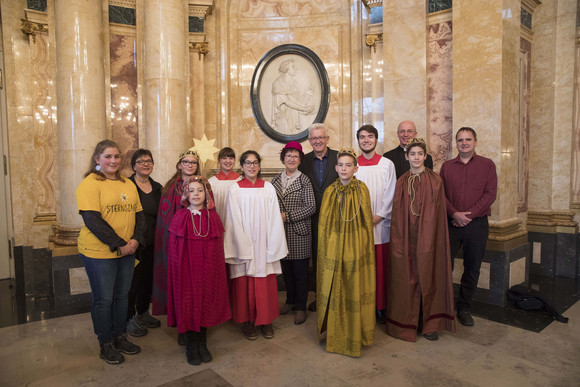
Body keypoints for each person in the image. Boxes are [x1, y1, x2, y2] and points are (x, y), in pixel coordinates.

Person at [75, 139, 145, 365]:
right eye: (108, 156)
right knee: (104, 299)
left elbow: (139, 215)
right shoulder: (90, 183)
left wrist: (135, 240)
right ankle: (105, 342)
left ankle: (119, 335)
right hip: (99, 252)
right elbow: (92, 220)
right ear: (97, 159)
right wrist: (119, 243)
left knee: (122, 296)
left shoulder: (128, 184)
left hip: (127, 250)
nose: (113, 160)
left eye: (116, 156)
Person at [386, 138, 455, 342]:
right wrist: (400, 243)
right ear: (406, 157)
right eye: (412, 154)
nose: (416, 157)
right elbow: (397, 218)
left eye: (420, 154)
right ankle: (408, 322)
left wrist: (430, 239)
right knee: (408, 277)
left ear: (425, 156)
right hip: (407, 239)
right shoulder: (401, 182)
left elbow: (439, 214)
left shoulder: (436, 181)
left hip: (430, 240)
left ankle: (429, 323)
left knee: (429, 275)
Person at [317, 148, 375, 357]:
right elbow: (324, 225)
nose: (344, 168)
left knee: (353, 286)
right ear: (335, 167)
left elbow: (367, 223)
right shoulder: (330, 191)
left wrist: (362, 247)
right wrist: (328, 248)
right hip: (334, 246)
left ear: (356, 168)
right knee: (335, 287)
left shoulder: (362, 190)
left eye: (348, 165)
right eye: (340, 164)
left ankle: (356, 332)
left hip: (355, 246)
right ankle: (334, 334)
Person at [224, 150, 288, 340]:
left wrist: (271, 242)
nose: (251, 166)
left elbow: (275, 218)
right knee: (244, 284)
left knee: (264, 283)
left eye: (255, 163)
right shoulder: (235, 189)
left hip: (264, 243)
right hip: (243, 243)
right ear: (242, 167)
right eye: (247, 163)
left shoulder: (268, 188)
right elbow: (232, 220)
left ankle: (265, 320)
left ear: (259, 166)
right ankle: (247, 322)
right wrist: (243, 244)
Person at [166, 176, 231, 365]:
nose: (196, 194)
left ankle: (203, 343)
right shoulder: (180, 216)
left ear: (206, 194)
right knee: (188, 303)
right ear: (186, 194)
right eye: (192, 190)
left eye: (200, 191)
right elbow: (174, 251)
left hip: (207, 270)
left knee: (204, 303)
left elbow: (218, 250)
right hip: (186, 272)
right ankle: (191, 345)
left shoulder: (213, 217)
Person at [439, 127, 497, 327]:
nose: (464, 143)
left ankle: (464, 308)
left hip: (477, 226)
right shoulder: (446, 166)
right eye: (460, 140)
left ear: (475, 142)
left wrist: (468, 216)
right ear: (456, 143)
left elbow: (490, 194)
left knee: (472, 269)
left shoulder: (487, 165)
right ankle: (443, 308)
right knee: (444, 266)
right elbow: (441, 195)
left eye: (468, 139)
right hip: (451, 223)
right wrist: (454, 214)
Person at [354, 125, 396, 324]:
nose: (366, 140)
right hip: (359, 226)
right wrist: (361, 218)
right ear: (358, 141)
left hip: (381, 225)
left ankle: (381, 306)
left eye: (370, 136)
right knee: (362, 267)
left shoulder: (387, 164)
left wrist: (379, 215)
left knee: (380, 268)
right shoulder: (353, 165)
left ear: (376, 139)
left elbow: (391, 192)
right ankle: (364, 304)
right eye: (362, 137)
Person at [152, 148, 201, 317]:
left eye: (193, 162)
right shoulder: (171, 188)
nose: (189, 165)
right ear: (179, 165)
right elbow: (165, 220)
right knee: (178, 280)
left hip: (196, 240)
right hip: (176, 241)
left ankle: (196, 317)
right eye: (186, 162)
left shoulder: (203, 185)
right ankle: (179, 318)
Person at [271, 141, 316, 325]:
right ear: (283, 158)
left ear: (299, 160)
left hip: (299, 234)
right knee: (286, 272)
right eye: (288, 155)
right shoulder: (274, 181)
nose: (291, 159)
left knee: (300, 273)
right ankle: (289, 301)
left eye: (295, 156)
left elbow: (311, 207)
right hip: (280, 234)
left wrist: (287, 216)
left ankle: (300, 307)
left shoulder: (304, 180)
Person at [298, 123, 339, 311]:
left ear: (327, 139)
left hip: (337, 218)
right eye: (313, 138)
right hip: (312, 219)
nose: (317, 141)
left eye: (320, 137)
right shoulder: (303, 161)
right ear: (309, 141)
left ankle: (337, 296)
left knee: (337, 257)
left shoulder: (340, 158)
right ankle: (320, 298)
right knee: (317, 258)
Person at [126, 149, 162, 337]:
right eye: (141, 161)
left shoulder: (157, 187)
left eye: (149, 161)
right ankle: (129, 317)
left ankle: (142, 312)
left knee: (148, 280)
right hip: (133, 243)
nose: (145, 164)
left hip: (153, 243)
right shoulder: (126, 186)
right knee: (132, 282)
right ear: (133, 166)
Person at [271, 58, 315, 134]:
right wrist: (304, 109)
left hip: (295, 118)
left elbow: (298, 101)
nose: (295, 69)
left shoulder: (295, 84)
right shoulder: (278, 83)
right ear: (286, 70)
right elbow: (287, 102)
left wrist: (307, 94)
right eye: (293, 67)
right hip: (284, 118)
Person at [208, 147, 241, 224]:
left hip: (236, 221)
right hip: (217, 220)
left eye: (231, 158)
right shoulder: (211, 182)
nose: (228, 161)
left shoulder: (240, 181)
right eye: (224, 158)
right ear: (219, 161)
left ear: (234, 160)